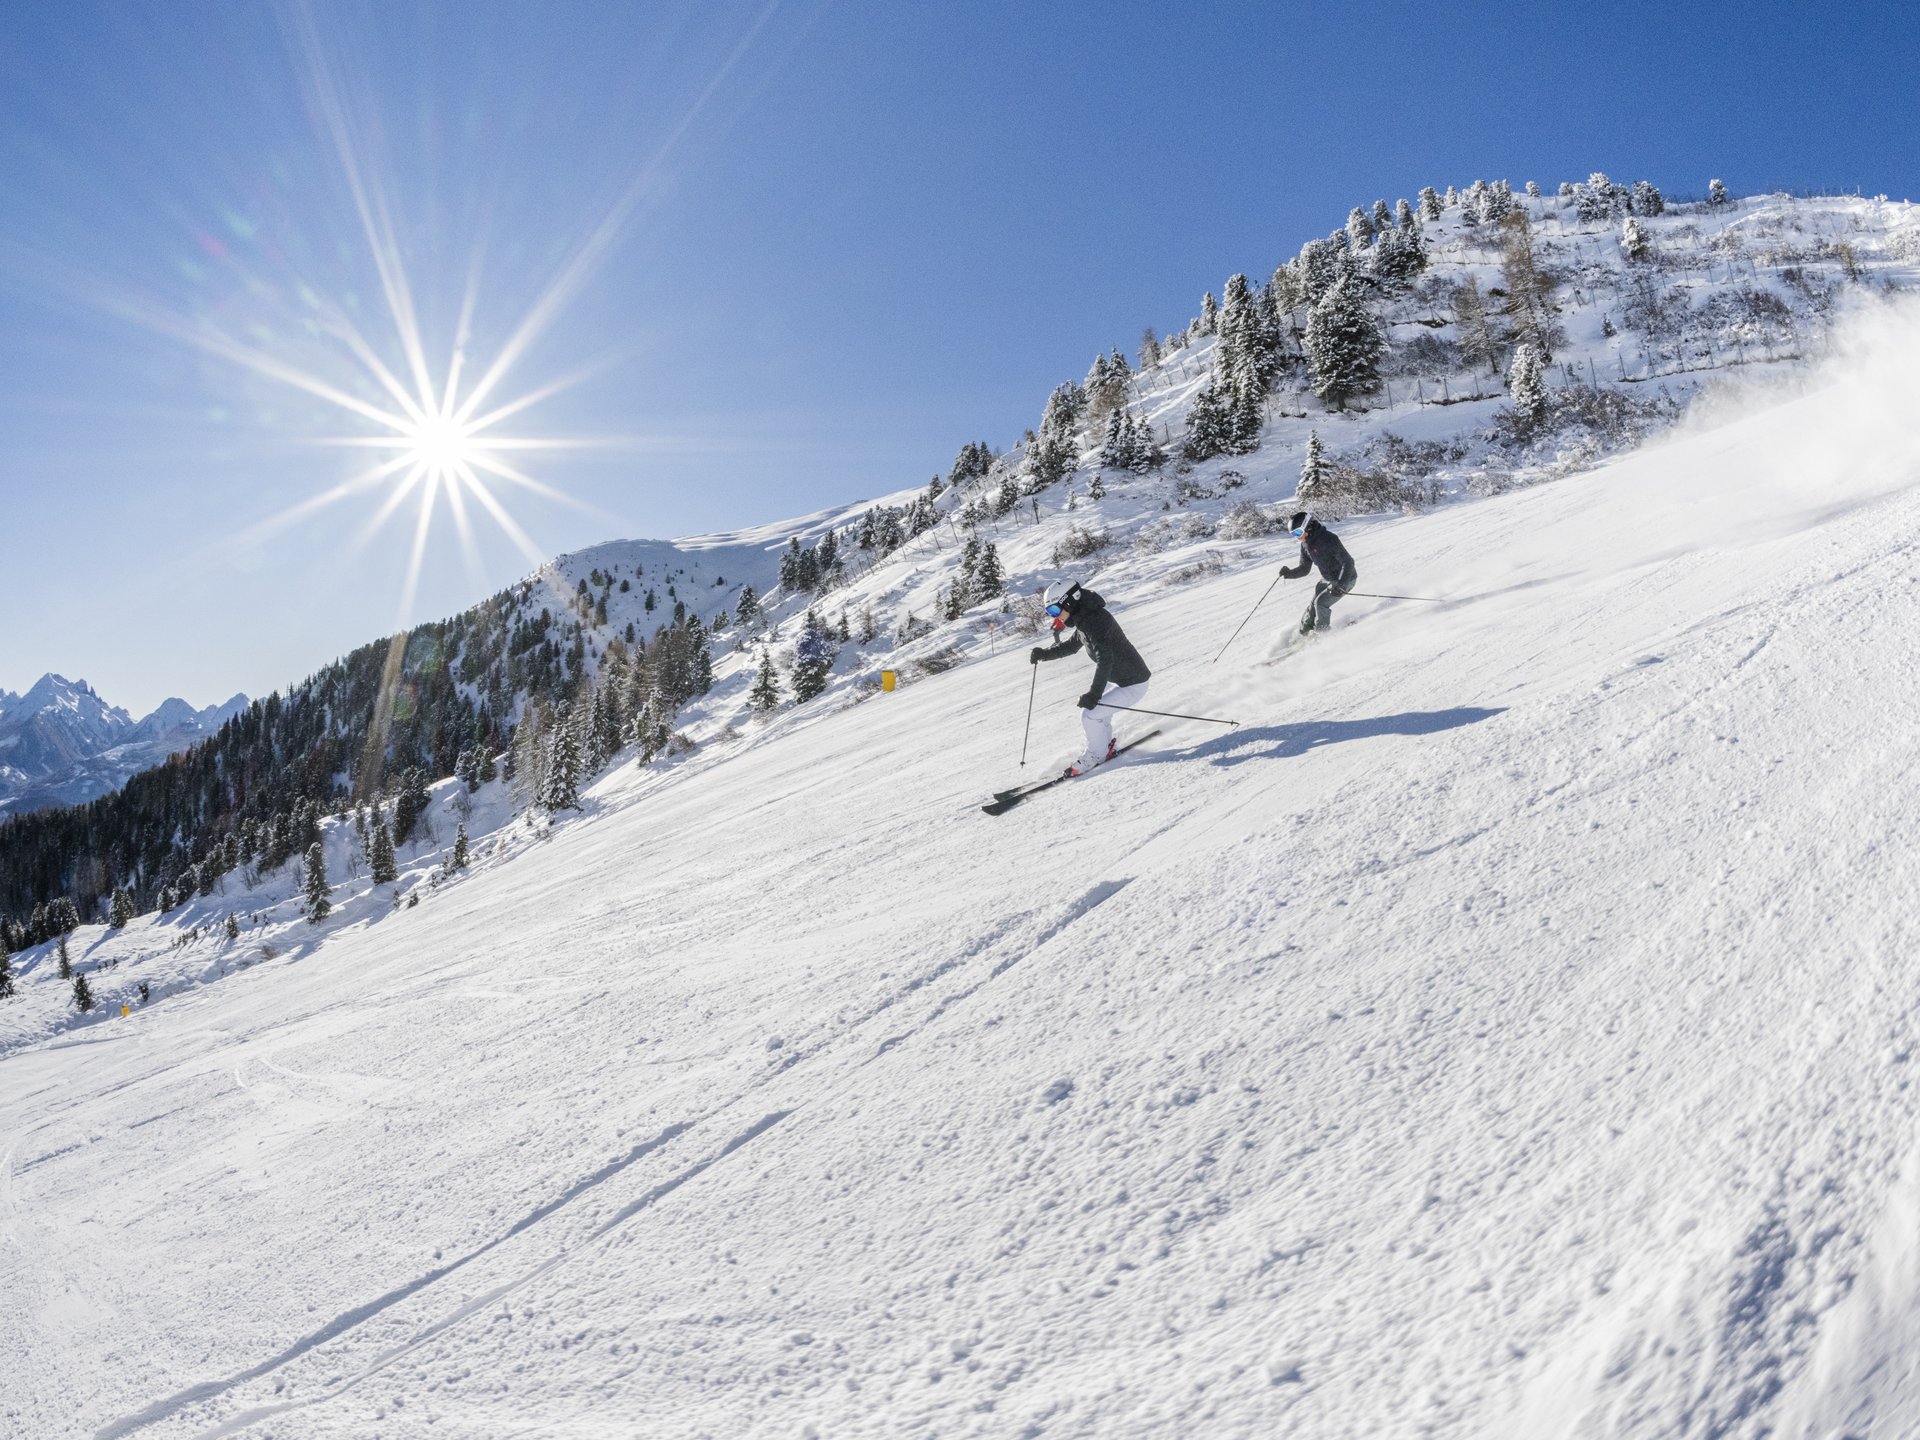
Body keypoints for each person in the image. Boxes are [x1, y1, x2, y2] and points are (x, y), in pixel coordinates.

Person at [1030, 580, 1152, 777]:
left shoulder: (1094, 622)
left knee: (1090, 714)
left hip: (1133, 683)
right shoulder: (1085, 619)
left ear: (1068, 601)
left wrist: (1093, 694)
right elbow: (1071, 646)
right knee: (1097, 713)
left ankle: (1097, 754)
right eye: (1049, 612)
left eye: (1054, 609)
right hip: (1123, 678)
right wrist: (1044, 654)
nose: (1054, 615)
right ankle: (1103, 748)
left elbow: (1106, 660)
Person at [1280, 511, 1357, 635]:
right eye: (1293, 534)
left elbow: (1348, 562)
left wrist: (1341, 585)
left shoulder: (1329, 539)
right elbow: (1304, 568)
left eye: (1298, 532)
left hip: (1345, 579)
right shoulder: (1305, 545)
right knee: (1311, 609)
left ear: (1308, 526)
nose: (1297, 537)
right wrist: (1289, 573)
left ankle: (1323, 635)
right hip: (1326, 580)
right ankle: (1304, 633)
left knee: (1320, 604)